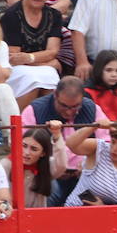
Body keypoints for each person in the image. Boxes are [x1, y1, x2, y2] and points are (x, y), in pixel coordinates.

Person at [28, 76, 99, 205]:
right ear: (55, 95)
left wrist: (87, 164)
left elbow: (106, 143)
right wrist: (51, 169)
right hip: (48, 175)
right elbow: (22, 148)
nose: (69, 112)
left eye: (75, 106)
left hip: (83, 175)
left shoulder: (92, 108)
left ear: (82, 98)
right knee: (48, 192)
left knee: (93, 200)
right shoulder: (35, 110)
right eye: (64, 106)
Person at [63, 117, 117, 209]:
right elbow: (71, 144)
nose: (114, 149)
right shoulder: (98, 149)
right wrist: (94, 126)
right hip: (75, 211)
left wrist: (104, 209)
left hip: (113, 220)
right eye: (113, 142)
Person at [0, 0, 63, 93]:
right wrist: (44, 63)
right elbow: (14, 57)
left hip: (39, 65)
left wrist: (30, 57)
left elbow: (52, 51)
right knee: (33, 81)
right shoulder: (12, 15)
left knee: (49, 80)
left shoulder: (54, 16)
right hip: (18, 69)